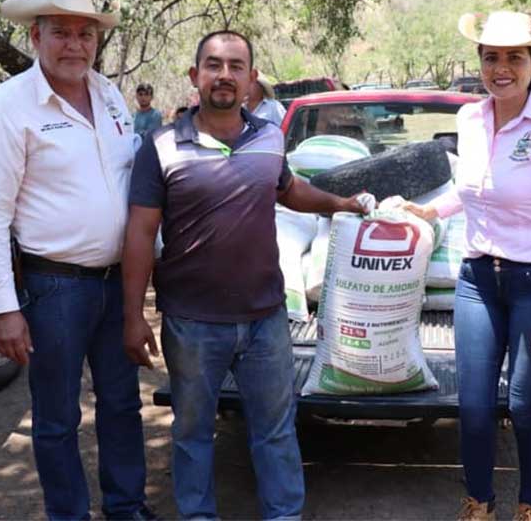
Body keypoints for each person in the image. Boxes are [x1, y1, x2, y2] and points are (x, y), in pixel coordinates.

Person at [121, 30, 370, 521]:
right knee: (192, 433)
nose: (225, 75)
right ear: (195, 76)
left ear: (252, 79)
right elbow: (140, 232)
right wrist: (133, 316)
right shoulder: (161, 146)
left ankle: (283, 515)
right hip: (192, 323)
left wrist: (340, 203)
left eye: (236, 66)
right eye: (213, 65)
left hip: (265, 319)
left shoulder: (269, 137)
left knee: (275, 430)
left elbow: (288, 189)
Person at [0, 0, 155, 521]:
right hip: (54, 288)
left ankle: (126, 507)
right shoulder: (8, 107)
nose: (74, 45)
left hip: (116, 282)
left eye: (85, 35)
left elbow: (129, 182)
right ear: (36, 36)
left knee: (122, 403)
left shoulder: (110, 95)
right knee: (56, 417)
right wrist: (3, 308)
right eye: (61, 33)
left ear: (96, 41)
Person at [404, 11, 531, 521]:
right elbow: (476, 189)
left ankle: (530, 507)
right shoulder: (470, 119)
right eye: (491, 57)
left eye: (513, 58)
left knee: (526, 407)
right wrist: (432, 210)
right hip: (478, 280)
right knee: (474, 407)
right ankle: (479, 503)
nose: (500, 68)